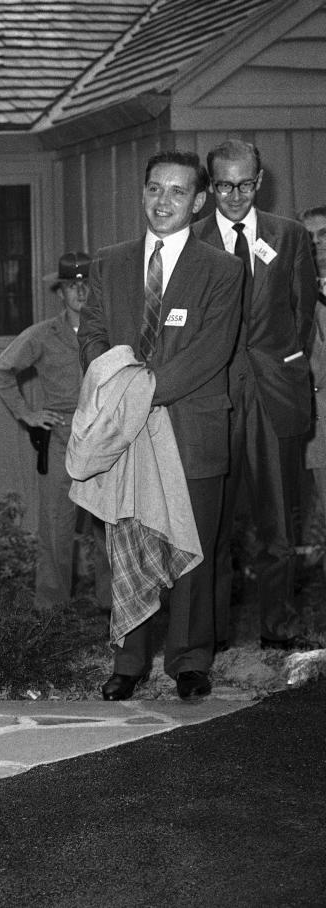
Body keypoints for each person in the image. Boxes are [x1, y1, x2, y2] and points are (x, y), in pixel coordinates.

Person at [79, 150, 243, 701]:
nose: (163, 202)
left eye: (177, 192)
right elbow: (93, 337)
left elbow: (211, 352)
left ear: (199, 202)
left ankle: (190, 661)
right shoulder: (109, 262)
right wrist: (123, 390)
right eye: (154, 189)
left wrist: (144, 392)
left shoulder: (221, 269)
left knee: (193, 547)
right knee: (129, 541)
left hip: (189, 427)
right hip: (125, 431)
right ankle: (129, 661)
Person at [193, 140, 318, 651]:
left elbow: (302, 314)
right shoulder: (191, 239)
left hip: (273, 395)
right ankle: (211, 635)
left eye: (245, 184)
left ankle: (279, 626)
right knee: (212, 525)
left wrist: (279, 366)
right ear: (210, 186)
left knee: (277, 522)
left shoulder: (288, 236)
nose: (235, 195)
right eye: (224, 185)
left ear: (260, 181)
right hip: (213, 398)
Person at [0, 252, 111, 613]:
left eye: (86, 284)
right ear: (60, 292)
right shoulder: (44, 334)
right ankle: (52, 611)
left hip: (104, 437)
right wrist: (28, 414)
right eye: (72, 286)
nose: (80, 291)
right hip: (61, 437)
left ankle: (114, 605)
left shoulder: (111, 331)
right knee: (57, 526)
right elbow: (1, 371)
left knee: (108, 525)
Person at [299, 205, 326, 552]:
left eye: (324, 236)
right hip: (317, 428)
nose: (318, 245)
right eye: (309, 239)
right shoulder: (294, 295)